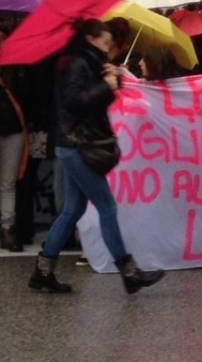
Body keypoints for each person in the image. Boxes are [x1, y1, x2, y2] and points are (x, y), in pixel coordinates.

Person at [28, 19, 165, 294]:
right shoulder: (76, 63)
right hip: (78, 145)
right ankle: (129, 272)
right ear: (91, 39)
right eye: (104, 38)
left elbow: (95, 99)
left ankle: (43, 271)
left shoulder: (86, 61)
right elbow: (75, 102)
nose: (109, 42)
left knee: (73, 209)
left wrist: (113, 79)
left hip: (76, 144)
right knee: (107, 207)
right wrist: (106, 85)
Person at [0, 67, 28, 252]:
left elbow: (28, 99)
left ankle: (7, 228)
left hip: (13, 130)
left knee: (8, 183)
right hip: (12, 129)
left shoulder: (14, 72)